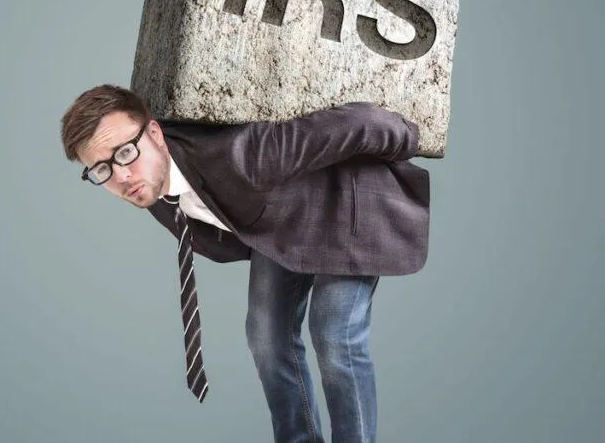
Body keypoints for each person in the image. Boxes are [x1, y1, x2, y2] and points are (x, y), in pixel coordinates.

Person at [59, 84, 430, 443]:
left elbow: (358, 120)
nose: (121, 176)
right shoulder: (149, 187)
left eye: (125, 153)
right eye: (101, 170)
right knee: (265, 336)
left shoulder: (238, 155)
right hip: (280, 218)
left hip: (345, 200)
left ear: (154, 133)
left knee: (334, 334)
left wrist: (409, 138)